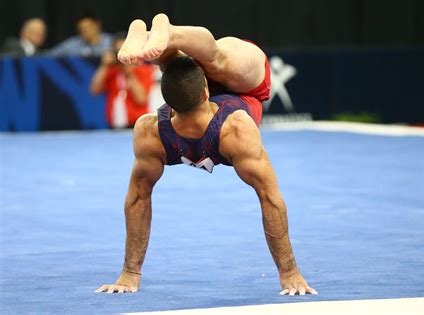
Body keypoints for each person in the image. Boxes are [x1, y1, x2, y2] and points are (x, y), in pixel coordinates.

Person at [95, 14, 316, 296]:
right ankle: (167, 37)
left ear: (166, 104)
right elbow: (270, 198)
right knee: (217, 59)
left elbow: (138, 197)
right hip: (245, 86)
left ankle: (164, 39)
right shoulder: (235, 130)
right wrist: (290, 273)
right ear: (206, 93)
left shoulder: (150, 131)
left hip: (206, 91)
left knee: (193, 65)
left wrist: (129, 274)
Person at [90, 33, 155, 128]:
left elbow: (141, 99)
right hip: (114, 125)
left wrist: (129, 74)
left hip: (137, 125)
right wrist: (104, 66)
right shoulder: (111, 71)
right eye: (119, 51)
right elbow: (94, 90)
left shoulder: (143, 70)